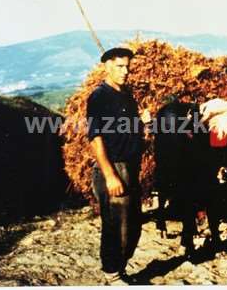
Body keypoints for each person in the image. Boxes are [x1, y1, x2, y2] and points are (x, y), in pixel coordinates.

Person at [86, 47, 144, 285]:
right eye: (120, 66)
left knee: (133, 226)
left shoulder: (126, 95)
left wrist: (142, 123)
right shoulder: (99, 96)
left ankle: (119, 269)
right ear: (107, 66)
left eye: (128, 66)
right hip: (113, 168)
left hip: (130, 167)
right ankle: (112, 274)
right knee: (116, 226)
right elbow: (95, 137)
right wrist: (110, 175)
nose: (126, 71)